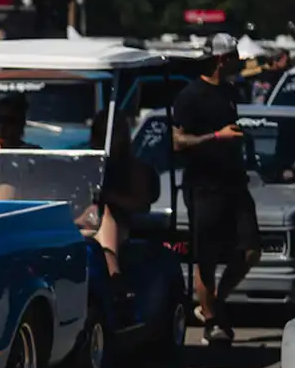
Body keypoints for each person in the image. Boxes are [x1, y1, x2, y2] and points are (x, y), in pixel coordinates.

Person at [171, 33, 259, 344]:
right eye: (235, 56)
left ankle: (217, 301)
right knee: (205, 257)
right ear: (222, 59)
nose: (239, 61)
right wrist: (216, 137)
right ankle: (211, 321)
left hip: (234, 182)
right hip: (204, 186)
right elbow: (177, 141)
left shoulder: (231, 92)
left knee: (250, 251)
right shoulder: (190, 96)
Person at [78, 108, 155, 309]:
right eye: (100, 135)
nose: (105, 141)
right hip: (84, 222)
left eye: (110, 135)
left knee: (107, 214)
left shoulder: (134, 169)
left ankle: (114, 274)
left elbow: (142, 204)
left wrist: (109, 198)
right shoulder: (87, 165)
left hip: (121, 224)